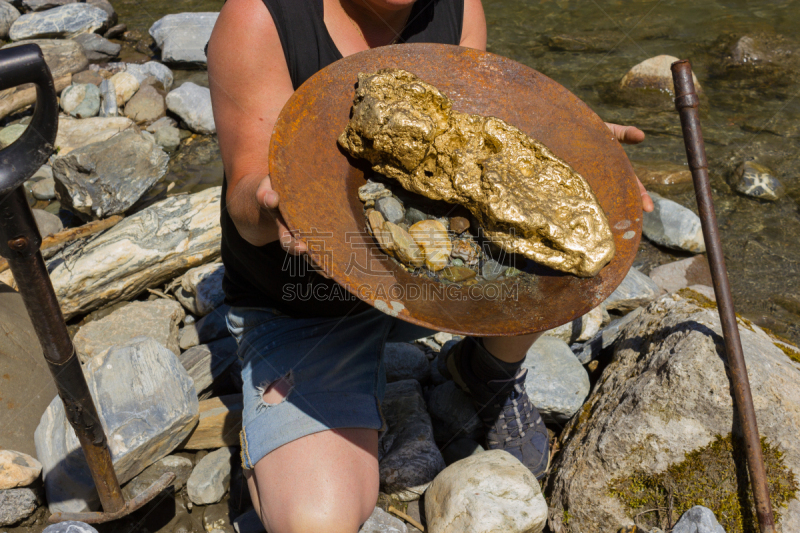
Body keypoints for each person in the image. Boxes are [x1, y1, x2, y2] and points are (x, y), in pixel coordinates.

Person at [207, 1, 653, 531]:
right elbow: (245, 209)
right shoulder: (261, 16)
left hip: (427, 275)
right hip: (304, 303)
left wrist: (551, 148)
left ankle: (487, 369)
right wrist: (270, 204)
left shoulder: (458, 8)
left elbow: (464, 140)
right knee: (315, 522)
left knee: (568, 251)